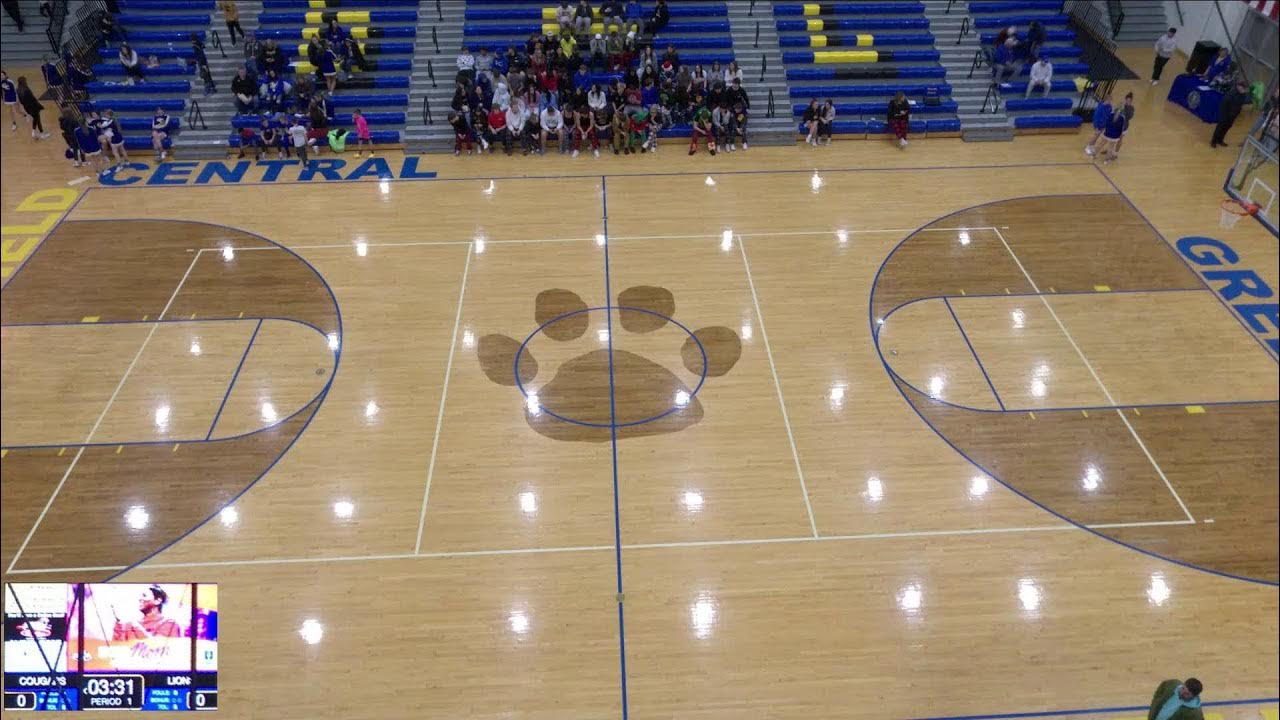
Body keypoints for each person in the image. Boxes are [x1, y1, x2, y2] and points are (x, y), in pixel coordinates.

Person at [113, 586, 183, 641]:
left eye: (144, 595)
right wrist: (119, 624)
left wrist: (135, 626)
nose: (140, 599)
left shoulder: (169, 624)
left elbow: (157, 649)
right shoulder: (129, 625)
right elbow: (118, 648)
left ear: (157, 600)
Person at [1212, 80, 1253, 148]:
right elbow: (1224, 103)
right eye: (1243, 88)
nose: (1244, 90)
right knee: (1220, 128)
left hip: (1233, 115)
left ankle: (1220, 140)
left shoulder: (1243, 95)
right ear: (1239, 87)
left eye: (1244, 89)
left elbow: (1249, 101)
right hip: (1226, 114)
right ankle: (1214, 141)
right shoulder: (1232, 93)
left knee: (1226, 128)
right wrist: (1224, 114)